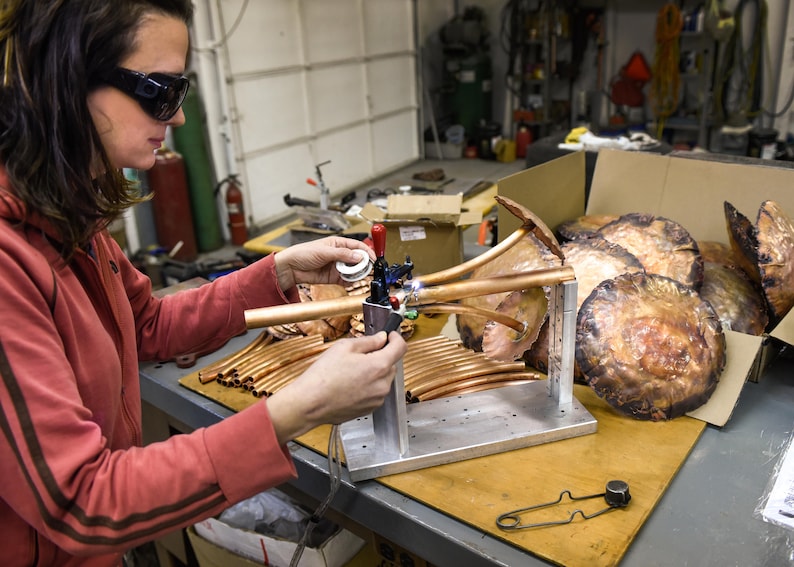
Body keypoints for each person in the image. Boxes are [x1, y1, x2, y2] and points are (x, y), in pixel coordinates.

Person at [0, 1, 407, 565]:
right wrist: (298, 409)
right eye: (160, 91)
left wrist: (278, 272)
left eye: (181, 92)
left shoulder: (68, 216)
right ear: (67, 82)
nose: (179, 118)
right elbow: (84, 502)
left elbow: (145, 324)